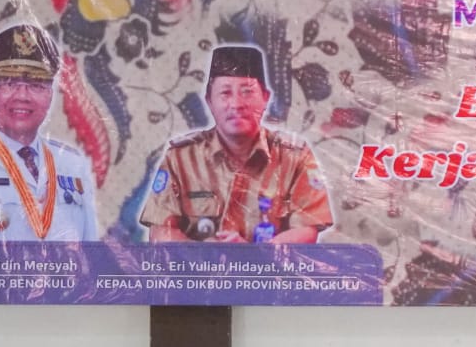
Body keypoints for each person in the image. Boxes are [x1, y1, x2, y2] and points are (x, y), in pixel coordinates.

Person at [140, 44, 333, 243]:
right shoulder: (180, 158)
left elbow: (306, 231)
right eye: (225, 93)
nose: (236, 104)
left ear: (265, 99)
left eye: (247, 92)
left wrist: (252, 256)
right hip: (197, 263)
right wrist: (203, 255)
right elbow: (161, 232)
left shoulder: (295, 157)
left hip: (266, 264)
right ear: (209, 101)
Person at [0, 24, 99, 242]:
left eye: (36, 84)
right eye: (9, 82)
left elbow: (90, 253)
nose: (22, 96)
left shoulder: (72, 164)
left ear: (50, 95)